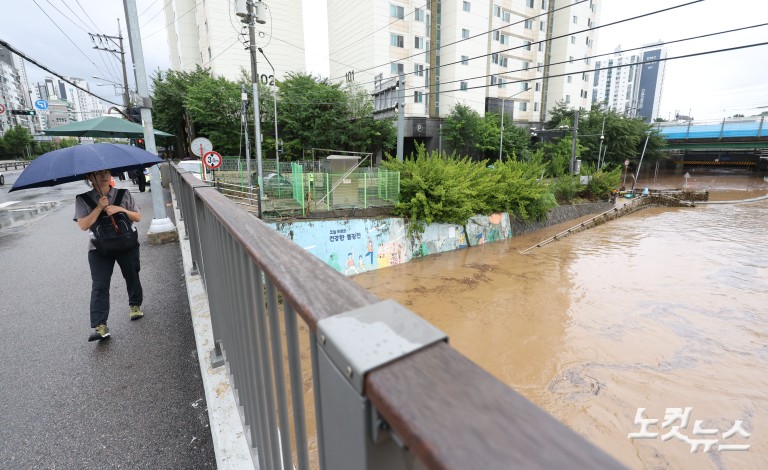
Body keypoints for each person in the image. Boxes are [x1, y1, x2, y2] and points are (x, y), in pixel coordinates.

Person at [74, 170, 144, 341]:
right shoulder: (82, 199)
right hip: (99, 248)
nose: (103, 176)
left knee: (132, 275)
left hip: (126, 244)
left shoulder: (123, 194)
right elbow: (83, 225)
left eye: (105, 172)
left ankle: (135, 305)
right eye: (97, 174)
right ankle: (100, 325)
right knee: (99, 285)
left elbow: (137, 217)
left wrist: (120, 209)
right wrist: (99, 207)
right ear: (89, 178)